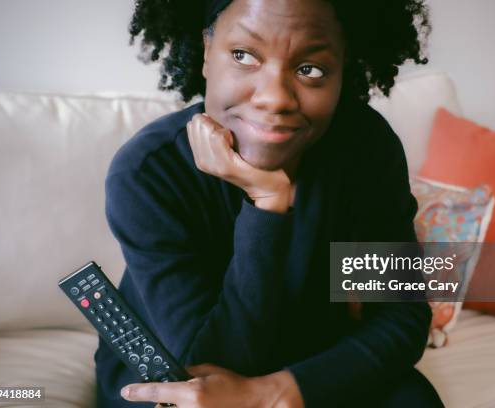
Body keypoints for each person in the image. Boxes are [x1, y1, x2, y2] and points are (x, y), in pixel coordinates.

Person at [95, 0, 444, 406]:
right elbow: (211, 366)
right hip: (173, 377)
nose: (274, 98)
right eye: (243, 56)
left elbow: (401, 318)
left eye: (309, 69)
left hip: (301, 362)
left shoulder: (364, 148)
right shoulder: (149, 173)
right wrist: (267, 204)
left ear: (342, 67)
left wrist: (279, 392)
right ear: (207, 51)